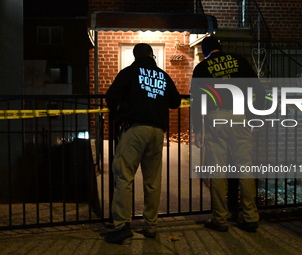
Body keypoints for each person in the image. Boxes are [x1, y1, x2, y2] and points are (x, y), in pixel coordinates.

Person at [105, 43, 181, 244]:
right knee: (153, 181)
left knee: (123, 176)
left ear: (135, 56)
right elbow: (175, 102)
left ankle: (121, 225)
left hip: (135, 129)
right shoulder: (163, 75)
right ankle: (151, 225)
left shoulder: (130, 72)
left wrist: (120, 112)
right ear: (151, 55)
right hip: (157, 131)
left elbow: (110, 96)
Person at [191, 36, 265, 232]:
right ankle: (250, 216)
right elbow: (258, 89)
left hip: (216, 118)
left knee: (217, 170)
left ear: (205, 51)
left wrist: (197, 129)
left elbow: (197, 100)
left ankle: (220, 219)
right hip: (240, 117)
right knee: (245, 167)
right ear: (219, 48)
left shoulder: (202, 68)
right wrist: (257, 117)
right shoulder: (239, 61)